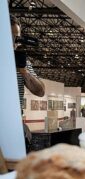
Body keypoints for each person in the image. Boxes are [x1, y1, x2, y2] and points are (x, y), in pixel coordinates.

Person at [11, 15, 45, 152]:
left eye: (17, 37)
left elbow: (40, 91)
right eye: (11, 37)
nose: (15, 41)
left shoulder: (23, 63)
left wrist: (24, 72)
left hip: (14, 121)